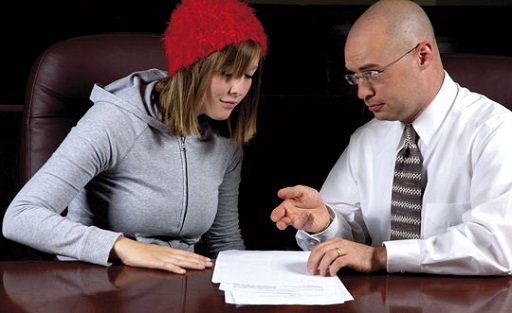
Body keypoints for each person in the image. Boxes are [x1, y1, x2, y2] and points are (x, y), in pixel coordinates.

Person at [3, 0, 267, 274]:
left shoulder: (223, 137)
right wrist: (123, 247)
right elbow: (21, 216)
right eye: (226, 75)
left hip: (179, 290)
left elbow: (223, 240)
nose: (238, 89)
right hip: (100, 286)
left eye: (248, 75)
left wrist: (253, 287)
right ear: (191, 67)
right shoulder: (114, 121)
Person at [271, 0, 512, 276]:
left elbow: (499, 244)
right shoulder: (367, 139)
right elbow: (350, 235)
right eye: (356, 77)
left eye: (372, 73)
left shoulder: (496, 132)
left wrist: (382, 256)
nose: (362, 92)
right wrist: (326, 223)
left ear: (423, 56)